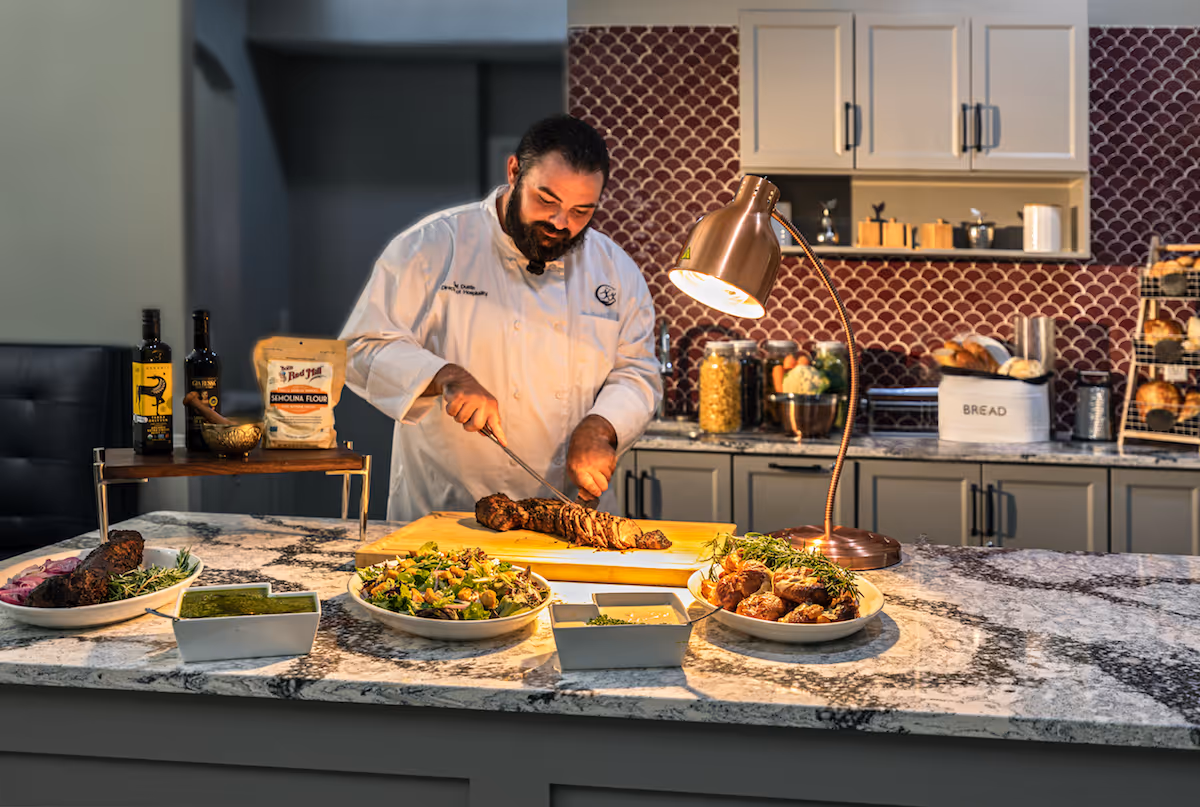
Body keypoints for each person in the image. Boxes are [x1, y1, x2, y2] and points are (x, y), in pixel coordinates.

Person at [339, 114, 662, 522]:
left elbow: (637, 373)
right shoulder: (435, 245)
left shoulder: (614, 269)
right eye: (546, 200)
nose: (561, 224)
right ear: (514, 171)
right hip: (446, 513)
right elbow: (361, 348)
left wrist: (602, 427)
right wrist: (444, 375)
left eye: (582, 211)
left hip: (567, 517)